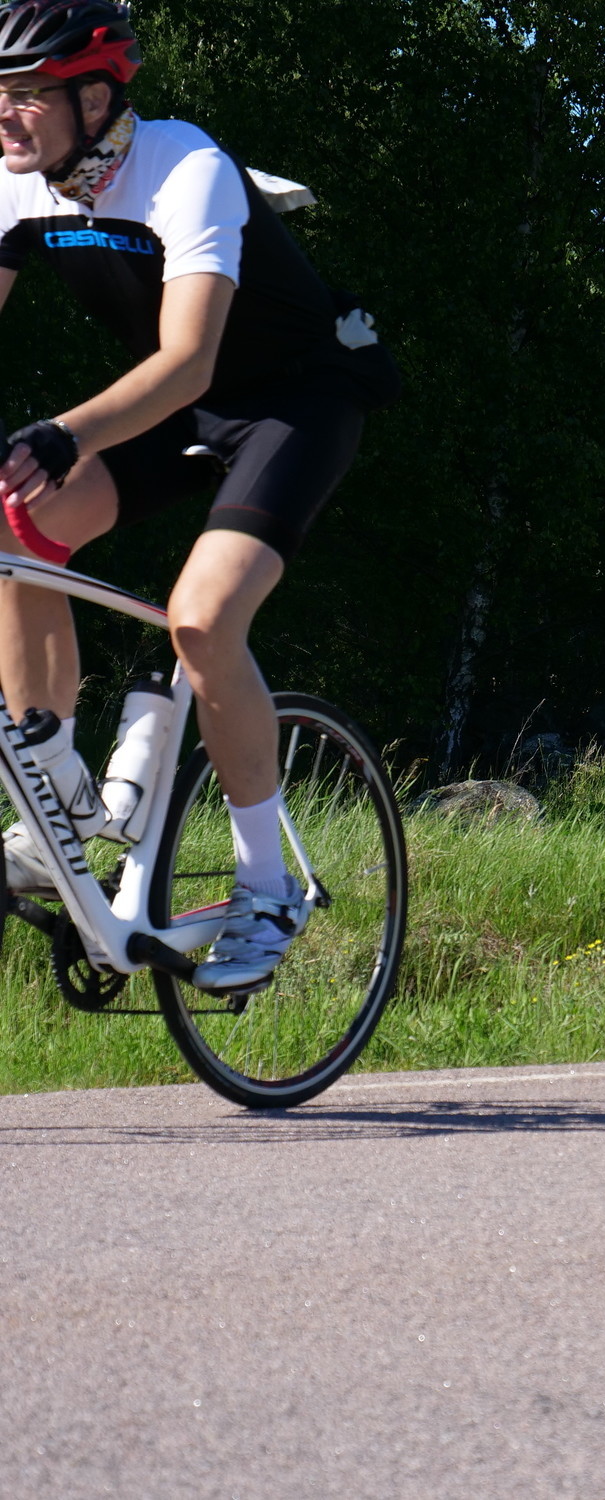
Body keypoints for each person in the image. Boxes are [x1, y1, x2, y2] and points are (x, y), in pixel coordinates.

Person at [0, 0, 397, 991]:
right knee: (16, 527)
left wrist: (61, 433)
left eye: (26, 95)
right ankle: (55, 802)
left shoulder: (185, 167)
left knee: (202, 620)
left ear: (95, 98)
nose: (4, 115)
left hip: (293, 402)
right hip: (179, 408)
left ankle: (266, 889)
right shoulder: (15, 182)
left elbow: (187, 361)